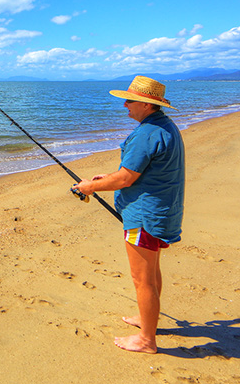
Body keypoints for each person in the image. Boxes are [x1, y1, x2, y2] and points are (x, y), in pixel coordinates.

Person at [73, 75, 184, 354]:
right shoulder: (165, 127)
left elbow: (125, 179)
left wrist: (89, 187)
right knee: (152, 270)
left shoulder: (146, 134)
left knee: (142, 279)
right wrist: (105, 178)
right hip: (160, 212)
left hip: (144, 218)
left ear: (146, 105)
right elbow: (135, 173)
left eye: (130, 100)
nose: (125, 105)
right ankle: (148, 320)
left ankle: (147, 340)